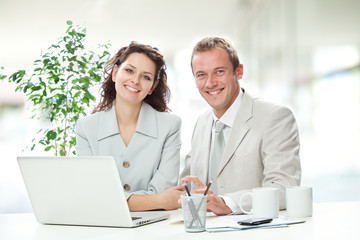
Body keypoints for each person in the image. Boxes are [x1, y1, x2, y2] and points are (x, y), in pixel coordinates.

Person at [180, 37, 301, 215]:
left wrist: (227, 203)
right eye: (201, 75)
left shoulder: (275, 117)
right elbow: (188, 186)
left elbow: (284, 187)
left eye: (219, 72)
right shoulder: (201, 123)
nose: (210, 83)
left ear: (239, 72)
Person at [76, 41, 184, 211]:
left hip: (156, 228)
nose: (135, 81)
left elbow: (164, 190)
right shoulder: (86, 128)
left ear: (152, 87)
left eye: (146, 77)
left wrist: (113, 201)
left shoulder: (170, 126)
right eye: (129, 70)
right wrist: (160, 201)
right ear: (114, 73)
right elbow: (93, 195)